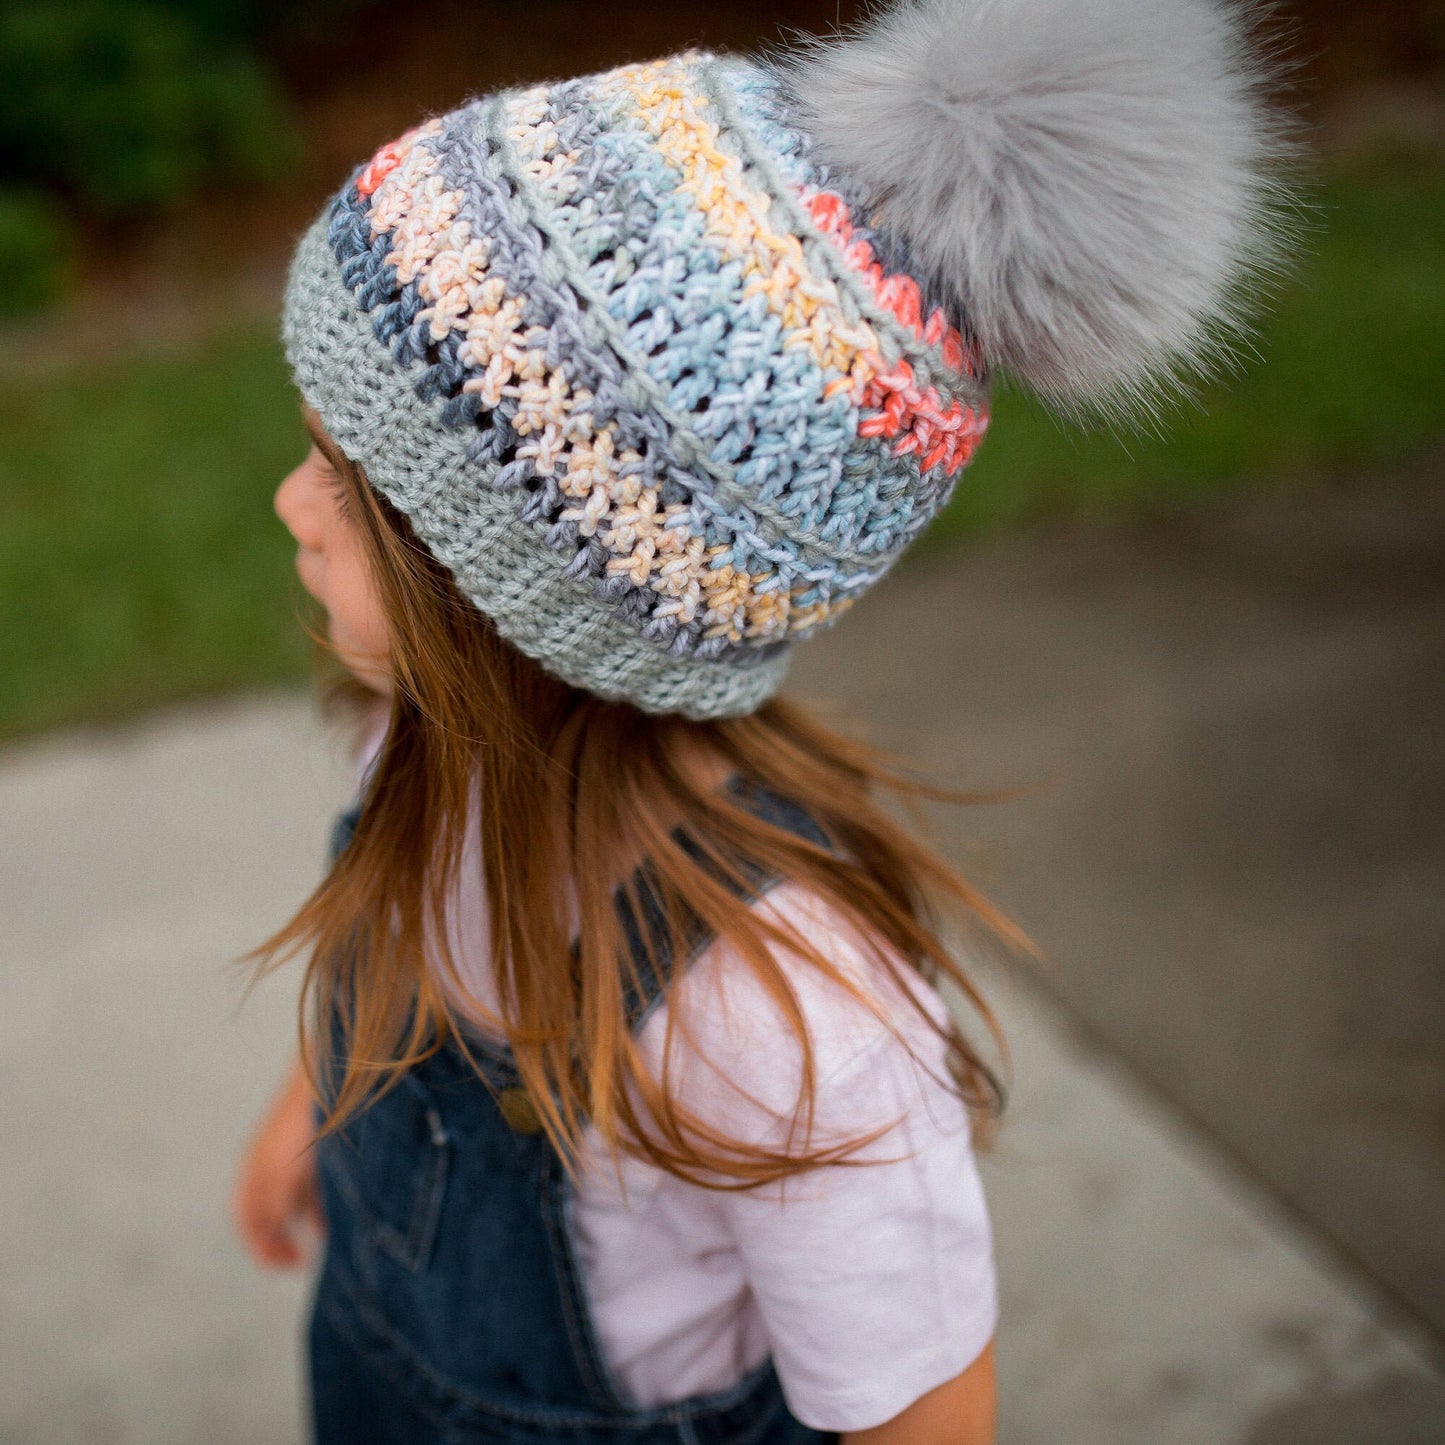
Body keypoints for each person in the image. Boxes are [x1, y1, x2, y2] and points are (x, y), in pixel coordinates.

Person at [232, 0, 1295, 1438]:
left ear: (531, 607)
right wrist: (316, 1098)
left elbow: (924, 1421)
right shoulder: (420, 733)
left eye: (350, 490)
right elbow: (401, 926)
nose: (291, 506)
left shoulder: (789, 1032)